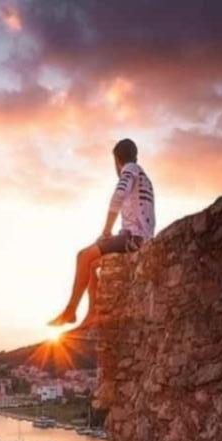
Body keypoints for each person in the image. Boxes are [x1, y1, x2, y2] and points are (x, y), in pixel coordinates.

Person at [48, 138, 155, 329]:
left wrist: (106, 230)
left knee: (83, 256)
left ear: (117, 161)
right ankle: (91, 316)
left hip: (133, 238)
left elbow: (118, 195)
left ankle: (70, 311)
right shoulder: (144, 178)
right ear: (135, 156)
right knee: (91, 265)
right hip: (141, 237)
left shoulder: (129, 169)